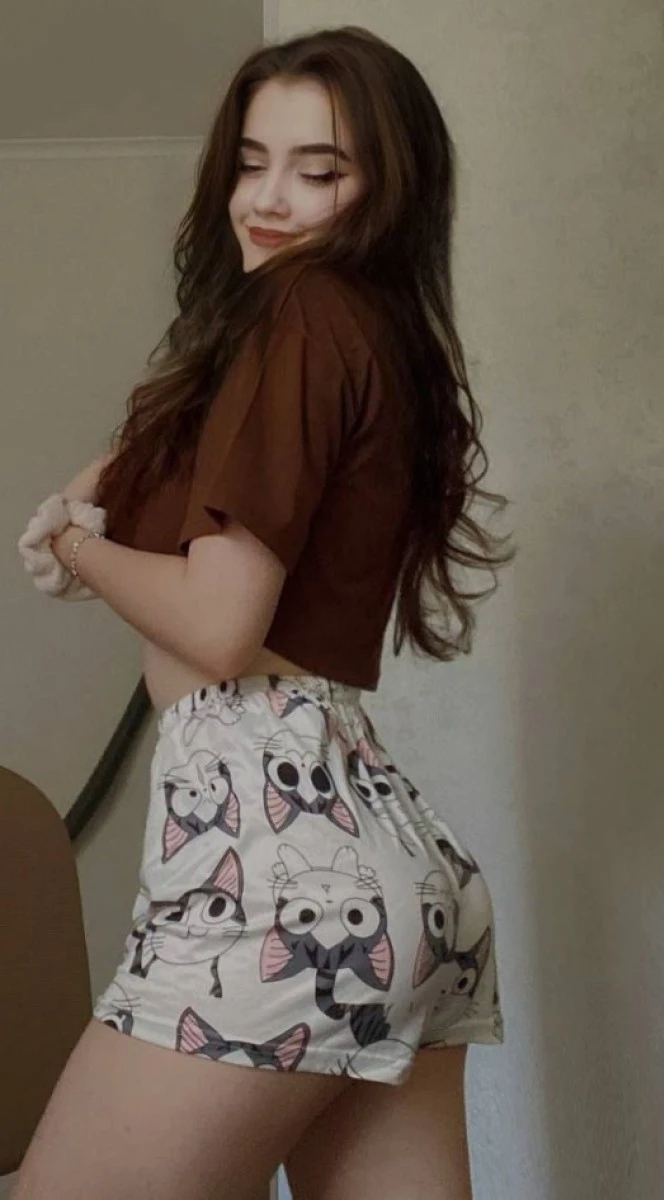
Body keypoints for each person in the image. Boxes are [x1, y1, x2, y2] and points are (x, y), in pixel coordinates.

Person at [12, 25, 510, 1200]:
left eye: (317, 170)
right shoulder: (370, 335)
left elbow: (220, 623)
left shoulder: (300, 313)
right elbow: (130, 488)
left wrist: (76, 544)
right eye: (250, 162)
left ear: (384, 187)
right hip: (399, 872)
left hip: (269, 857)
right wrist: (93, 513)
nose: (268, 199)